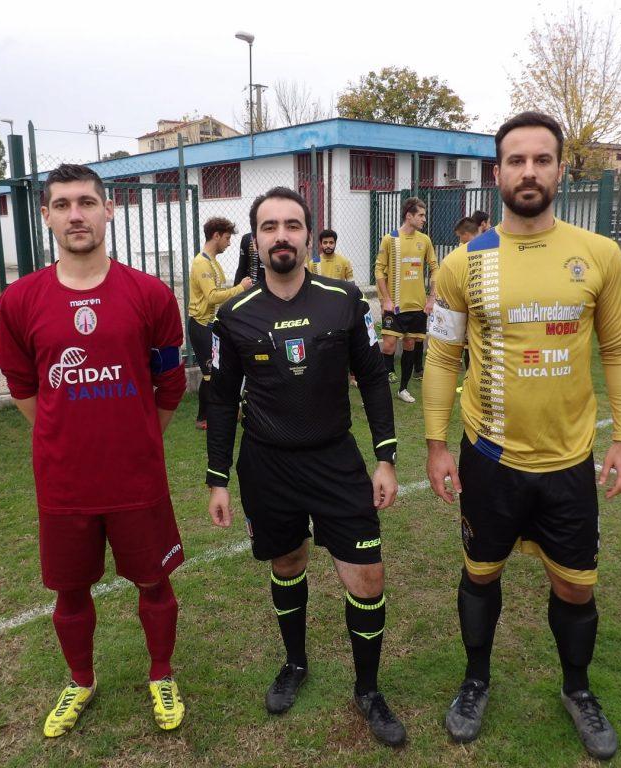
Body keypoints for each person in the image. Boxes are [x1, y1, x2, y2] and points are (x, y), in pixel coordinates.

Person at [423, 111, 621, 761]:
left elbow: (619, 349)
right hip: (488, 456)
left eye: (541, 160)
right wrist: (436, 444)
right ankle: (475, 680)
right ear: (496, 174)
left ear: (560, 170)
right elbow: (441, 357)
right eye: (515, 161)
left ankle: (577, 689)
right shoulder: (463, 263)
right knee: (480, 572)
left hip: (568, 460)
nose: (528, 171)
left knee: (576, 586)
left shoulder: (598, 255)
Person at [206, 187, 406, 747]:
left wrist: (386, 457)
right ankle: (295, 663)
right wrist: (217, 479)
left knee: (366, 577)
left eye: (292, 225)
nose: (282, 236)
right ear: (256, 239)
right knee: (288, 561)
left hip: (335, 461)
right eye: (269, 227)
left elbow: (373, 379)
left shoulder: (344, 299)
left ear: (308, 234)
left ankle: (368, 690)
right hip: (267, 466)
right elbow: (220, 400)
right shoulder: (233, 315)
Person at [0, 164, 188, 737]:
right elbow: (23, 386)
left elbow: (170, 381)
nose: (75, 214)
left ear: (109, 209)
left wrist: (137, 434)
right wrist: (65, 433)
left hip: (136, 476)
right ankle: (81, 680)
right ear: (46, 216)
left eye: (85, 202)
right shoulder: (20, 300)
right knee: (70, 589)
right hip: (65, 480)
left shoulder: (149, 294)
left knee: (154, 581)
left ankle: (161, 674)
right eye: (62, 205)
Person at [187, 218, 252, 430]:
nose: (229, 243)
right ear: (216, 236)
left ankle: (221, 411)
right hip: (200, 325)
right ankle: (203, 418)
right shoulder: (201, 263)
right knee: (210, 374)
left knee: (218, 371)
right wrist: (241, 288)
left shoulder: (213, 261)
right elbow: (213, 296)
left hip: (212, 325)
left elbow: (220, 294)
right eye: (227, 238)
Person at [375, 197, 437, 403]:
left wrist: (431, 298)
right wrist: (385, 300)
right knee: (389, 345)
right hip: (395, 306)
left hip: (417, 305)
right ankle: (382, 388)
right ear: (409, 216)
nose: (424, 219)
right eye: (421, 215)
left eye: (424, 215)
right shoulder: (390, 239)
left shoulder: (425, 240)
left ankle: (403, 388)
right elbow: (379, 270)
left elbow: (435, 268)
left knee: (410, 344)